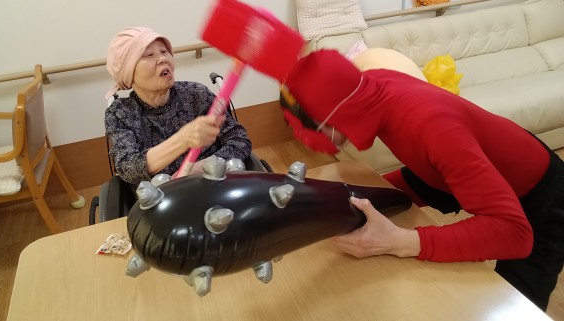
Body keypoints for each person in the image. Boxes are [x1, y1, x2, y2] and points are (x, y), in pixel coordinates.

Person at [280, 48, 564, 311]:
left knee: (513, 304)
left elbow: (515, 233)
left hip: (542, 194)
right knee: (365, 200)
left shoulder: (430, 126)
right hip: (446, 165)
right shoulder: (369, 86)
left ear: (334, 115)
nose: (307, 141)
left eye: (311, 130)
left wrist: (399, 241)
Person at [104, 26, 252, 187]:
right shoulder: (120, 112)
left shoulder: (196, 94)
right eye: (149, 55)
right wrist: (183, 139)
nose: (162, 59)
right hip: (160, 196)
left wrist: (199, 169)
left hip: (214, 184)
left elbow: (239, 141)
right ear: (128, 72)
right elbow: (128, 168)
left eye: (164, 51)